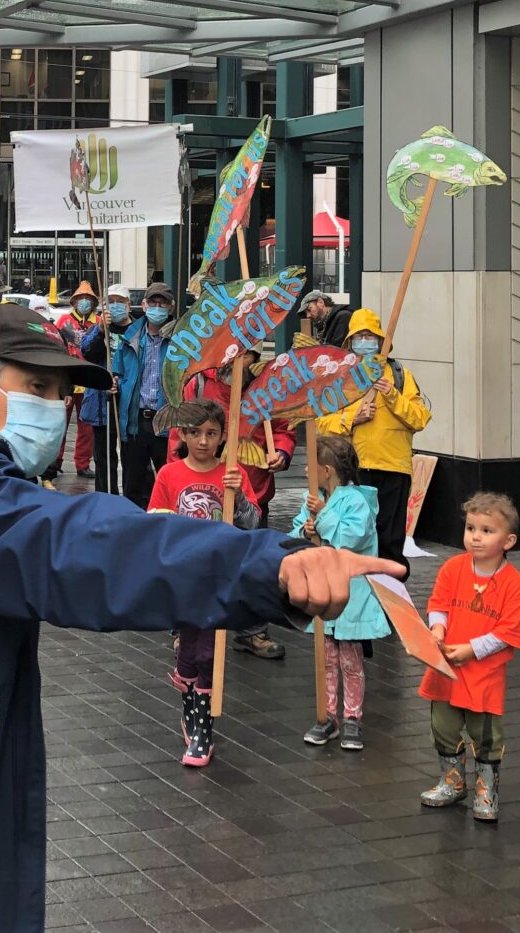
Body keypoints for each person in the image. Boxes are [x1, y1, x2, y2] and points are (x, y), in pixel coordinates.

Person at [0, 301, 403, 932]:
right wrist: (265, 567)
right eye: (36, 388)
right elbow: (84, 546)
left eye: (60, 394)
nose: (53, 410)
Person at [149, 398, 261, 767]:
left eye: (211, 433)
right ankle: (189, 703)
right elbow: (156, 522)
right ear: (182, 434)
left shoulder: (233, 474)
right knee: (187, 651)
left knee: (210, 653)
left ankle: (203, 728)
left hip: (220, 576)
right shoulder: (169, 475)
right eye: (195, 433)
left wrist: (239, 495)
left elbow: (252, 523)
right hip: (184, 576)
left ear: (221, 437)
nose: (202, 441)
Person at [167, 350, 296, 660]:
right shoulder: (198, 382)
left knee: (253, 567)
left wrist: (281, 452)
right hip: (201, 493)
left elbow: (283, 428)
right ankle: (188, 629)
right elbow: (180, 430)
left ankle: (252, 631)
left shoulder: (268, 385)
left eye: (245, 352)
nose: (236, 358)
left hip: (251, 488)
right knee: (195, 565)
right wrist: (177, 473)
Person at [418, 492, 520, 822]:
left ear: (508, 541)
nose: (475, 537)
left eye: (486, 531)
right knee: (443, 726)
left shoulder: (514, 583)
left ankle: (486, 787)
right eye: (470, 528)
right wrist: (437, 632)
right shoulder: (453, 568)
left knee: (486, 734)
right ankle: (453, 782)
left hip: (484, 673)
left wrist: (472, 649)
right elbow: (438, 604)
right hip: (447, 667)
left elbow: (509, 630)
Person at [290, 436, 390, 751]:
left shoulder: (356, 501)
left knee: (350, 658)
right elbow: (296, 532)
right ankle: (327, 715)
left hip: (349, 596)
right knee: (326, 658)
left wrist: (324, 516)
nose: (306, 470)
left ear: (328, 470)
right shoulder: (313, 497)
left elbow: (352, 537)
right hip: (323, 593)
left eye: (311, 466)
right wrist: (303, 532)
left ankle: (352, 718)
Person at [317, 308, 431, 578]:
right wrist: (351, 419)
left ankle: (392, 599)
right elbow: (320, 422)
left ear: (381, 341)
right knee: (353, 538)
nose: (365, 340)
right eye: (359, 335)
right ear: (350, 342)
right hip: (351, 469)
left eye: (370, 335)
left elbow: (419, 418)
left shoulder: (400, 375)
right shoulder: (340, 377)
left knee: (390, 542)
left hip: (393, 468)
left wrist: (392, 395)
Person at [114, 281, 175, 510]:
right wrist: (115, 383)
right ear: (144, 305)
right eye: (153, 302)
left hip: (167, 420)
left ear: (171, 307)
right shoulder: (130, 337)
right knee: (133, 485)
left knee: (168, 482)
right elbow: (118, 371)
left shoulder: (180, 338)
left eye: (162, 303)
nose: (157, 307)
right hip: (136, 420)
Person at [80, 283, 132, 494]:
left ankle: (133, 500)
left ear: (129, 305)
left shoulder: (138, 331)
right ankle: (106, 498)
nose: (116, 306)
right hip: (102, 404)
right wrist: (101, 331)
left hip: (129, 402)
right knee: (104, 458)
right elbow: (87, 352)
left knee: (132, 458)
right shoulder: (98, 329)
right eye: (112, 301)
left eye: (121, 301)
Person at [51, 281, 99, 481]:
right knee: (59, 425)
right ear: (74, 301)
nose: (84, 302)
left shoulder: (97, 323)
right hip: (67, 380)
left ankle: (82, 463)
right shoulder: (64, 321)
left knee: (86, 427)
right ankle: (55, 461)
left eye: (88, 299)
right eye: (81, 299)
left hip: (87, 380)